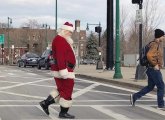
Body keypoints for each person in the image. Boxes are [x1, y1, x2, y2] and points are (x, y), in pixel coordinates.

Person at [39, 22, 76, 119]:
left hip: (65, 69)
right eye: (69, 32)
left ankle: (45, 103)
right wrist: (63, 71)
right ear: (64, 30)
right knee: (67, 90)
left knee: (62, 89)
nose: (70, 34)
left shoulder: (62, 40)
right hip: (64, 70)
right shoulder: (60, 40)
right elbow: (60, 56)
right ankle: (63, 113)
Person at [130, 29, 165, 109]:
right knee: (161, 86)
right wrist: (155, 64)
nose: (164, 37)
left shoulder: (154, 44)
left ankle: (134, 97)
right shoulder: (154, 44)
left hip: (150, 69)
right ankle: (161, 105)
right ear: (159, 36)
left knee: (150, 87)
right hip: (153, 69)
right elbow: (149, 55)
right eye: (163, 36)